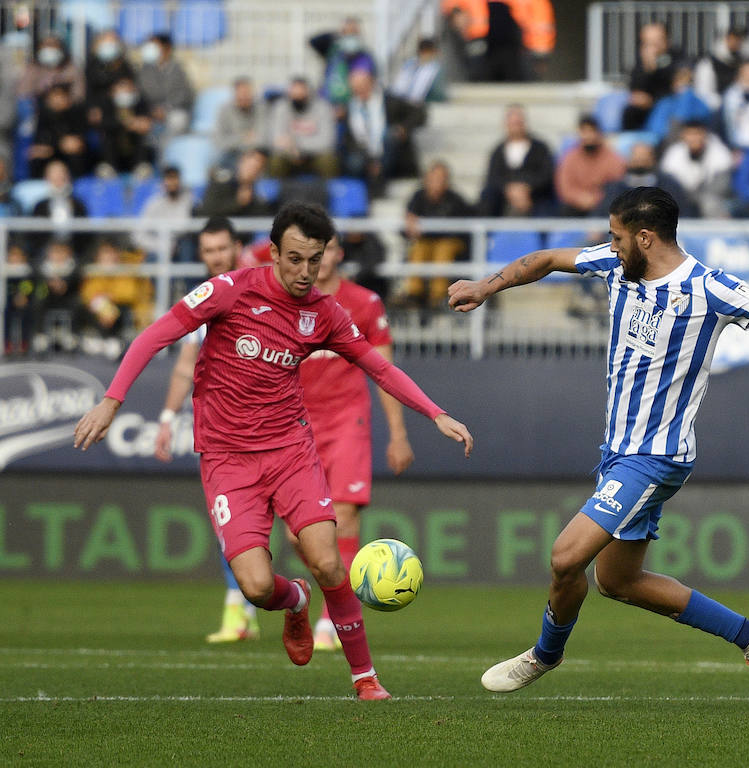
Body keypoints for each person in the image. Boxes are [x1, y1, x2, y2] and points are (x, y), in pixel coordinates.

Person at [448, 186, 749, 701]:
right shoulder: (617, 266)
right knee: (616, 581)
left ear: (645, 237)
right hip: (618, 452)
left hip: (654, 456)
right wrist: (486, 285)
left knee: (566, 558)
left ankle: (545, 653)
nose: (609, 247)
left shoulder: (706, 288)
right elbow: (543, 259)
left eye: (616, 238)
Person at [74, 202, 475, 700]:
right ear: (273, 252)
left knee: (328, 562)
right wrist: (112, 400)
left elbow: (379, 367)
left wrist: (434, 413)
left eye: (315, 259)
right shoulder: (230, 290)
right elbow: (156, 334)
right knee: (257, 587)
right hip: (227, 459)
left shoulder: (326, 314)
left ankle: (366, 678)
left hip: (289, 450)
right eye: (295, 259)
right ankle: (295, 601)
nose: (305, 272)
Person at [297, 236, 416, 649]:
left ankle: (333, 617)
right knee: (299, 534)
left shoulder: (364, 303)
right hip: (294, 426)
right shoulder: (287, 301)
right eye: (308, 253)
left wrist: (398, 434)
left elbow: (383, 370)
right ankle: (329, 591)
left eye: (325, 250)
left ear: (337, 255)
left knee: (343, 518)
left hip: (348, 420)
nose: (318, 260)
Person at [153, 218, 261, 642]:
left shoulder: (261, 289)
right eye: (208, 251)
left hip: (273, 430)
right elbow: (184, 366)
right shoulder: (204, 302)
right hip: (224, 433)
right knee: (229, 525)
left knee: (294, 531)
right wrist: (166, 418)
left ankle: (317, 614)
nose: (216, 257)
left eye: (222, 249)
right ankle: (240, 611)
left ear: (237, 247)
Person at [403, 160, 474, 307]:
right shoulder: (418, 197)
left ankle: (438, 295)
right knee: (418, 249)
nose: (437, 183)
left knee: (443, 249)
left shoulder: (456, 200)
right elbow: (407, 224)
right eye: (433, 179)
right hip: (426, 243)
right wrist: (410, 225)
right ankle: (415, 293)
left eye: (441, 179)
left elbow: (463, 230)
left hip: (449, 244)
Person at [477, 104, 555, 216]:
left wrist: (526, 188)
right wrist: (510, 190)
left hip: (535, 197)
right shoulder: (498, 151)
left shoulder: (540, 148)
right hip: (503, 199)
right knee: (487, 199)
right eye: (513, 123)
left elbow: (546, 175)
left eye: (518, 123)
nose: (516, 127)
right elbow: (493, 177)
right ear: (506, 124)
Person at [267, 77, 341, 179]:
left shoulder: (323, 107)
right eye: (294, 94)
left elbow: (327, 142)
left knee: (328, 160)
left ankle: (329, 192)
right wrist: (291, 150)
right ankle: (275, 193)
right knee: (276, 161)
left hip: (315, 156)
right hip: (289, 156)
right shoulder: (281, 108)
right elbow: (276, 140)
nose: (297, 97)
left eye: (301, 94)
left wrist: (296, 146)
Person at [659, 119, 734, 219]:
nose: (693, 138)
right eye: (689, 134)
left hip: (711, 197)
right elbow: (670, 184)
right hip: (682, 197)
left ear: (705, 135)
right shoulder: (673, 154)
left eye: (697, 134)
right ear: (683, 136)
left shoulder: (720, 153)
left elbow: (721, 186)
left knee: (710, 203)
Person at [554, 114, 625, 217]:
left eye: (592, 131)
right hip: (575, 206)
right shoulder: (570, 157)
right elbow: (564, 187)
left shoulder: (612, 158)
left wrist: (595, 199)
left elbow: (616, 185)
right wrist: (580, 198)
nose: (588, 136)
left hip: (602, 206)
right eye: (584, 132)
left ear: (599, 133)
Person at [135, 33, 194, 143]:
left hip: (172, 112)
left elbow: (185, 95)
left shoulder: (176, 69)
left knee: (177, 121)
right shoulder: (145, 70)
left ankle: (166, 154)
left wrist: (166, 109)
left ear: (166, 48)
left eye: (154, 45)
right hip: (151, 112)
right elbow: (141, 94)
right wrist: (152, 110)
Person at [310, 17, 377, 111]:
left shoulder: (364, 57)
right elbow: (313, 42)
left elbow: (362, 85)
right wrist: (336, 34)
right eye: (346, 32)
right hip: (326, 106)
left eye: (353, 32)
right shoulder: (333, 52)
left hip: (349, 110)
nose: (349, 36)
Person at [211, 77, 269, 171]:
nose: (244, 97)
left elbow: (263, 137)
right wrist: (242, 138)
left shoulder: (261, 108)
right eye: (241, 94)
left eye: (247, 93)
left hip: (256, 155)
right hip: (232, 155)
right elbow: (218, 141)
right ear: (235, 94)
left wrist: (249, 149)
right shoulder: (224, 110)